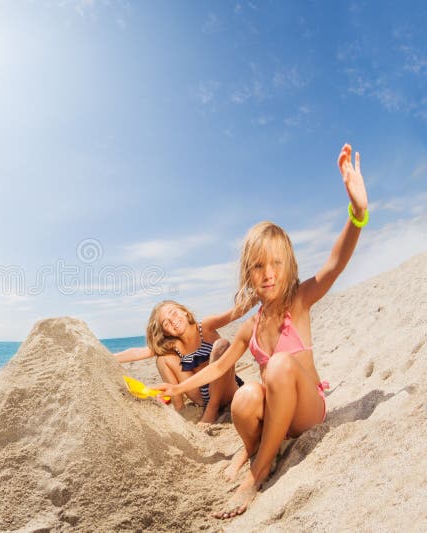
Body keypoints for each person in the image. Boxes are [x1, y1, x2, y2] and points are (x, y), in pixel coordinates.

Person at [152, 143, 368, 519]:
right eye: (257, 266)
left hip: (306, 412)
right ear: (248, 273)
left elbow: (334, 264)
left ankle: (259, 469)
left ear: (288, 267)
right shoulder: (250, 325)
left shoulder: (299, 300)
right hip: (275, 412)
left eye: (276, 264)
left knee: (281, 365)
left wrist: (357, 214)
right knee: (245, 396)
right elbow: (218, 369)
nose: (268, 274)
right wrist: (178, 388)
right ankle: (256, 447)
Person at [114, 301, 244, 424]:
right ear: (165, 332)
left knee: (222, 345)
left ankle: (212, 409)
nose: (173, 321)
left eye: (174, 313)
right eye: (166, 323)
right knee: (162, 358)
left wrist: (256, 297)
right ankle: (180, 408)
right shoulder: (174, 345)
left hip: (227, 389)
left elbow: (234, 313)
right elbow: (137, 352)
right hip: (202, 397)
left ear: (185, 312)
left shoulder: (205, 327)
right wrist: (105, 356)